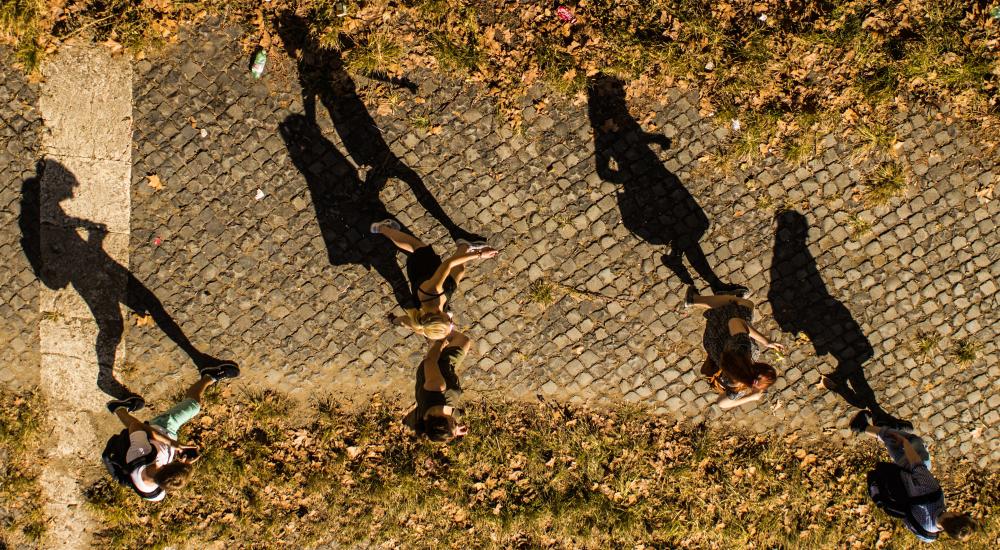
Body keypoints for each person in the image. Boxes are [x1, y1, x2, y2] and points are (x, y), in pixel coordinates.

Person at [105, 363, 239, 500]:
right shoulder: (155, 494)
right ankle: (119, 408)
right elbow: (169, 477)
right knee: (190, 408)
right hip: (163, 439)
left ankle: (209, 375)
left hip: (163, 426)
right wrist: (183, 465)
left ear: (164, 467)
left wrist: (173, 444)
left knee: (193, 406)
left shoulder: (141, 455)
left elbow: (135, 426)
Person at [852, 411, 976, 542]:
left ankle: (862, 426)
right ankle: (888, 428)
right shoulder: (928, 535)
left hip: (905, 475)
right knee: (911, 453)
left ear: (956, 515)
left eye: (961, 513)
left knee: (912, 442)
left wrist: (905, 442)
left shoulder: (934, 494)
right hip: (897, 490)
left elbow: (917, 465)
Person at [371, 220, 496, 340]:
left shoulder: (433, 290)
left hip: (423, 267)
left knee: (415, 245)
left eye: (450, 322)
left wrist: (479, 254)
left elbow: (448, 264)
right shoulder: (424, 324)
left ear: (439, 315)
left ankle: (382, 228)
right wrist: (395, 321)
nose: (452, 322)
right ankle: (464, 245)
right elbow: (405, 323)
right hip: (442, 288)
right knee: (459, 271)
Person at [686, 289, 783, 409]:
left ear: (758, 365)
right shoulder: (738, 387)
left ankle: (694, 299)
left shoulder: (743, 349)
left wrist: (766, 342)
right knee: (741, 312)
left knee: (746, 305)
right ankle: (727, 298)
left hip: (719, 328)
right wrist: (752, 397)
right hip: (711, 343)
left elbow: (735, 322)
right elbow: (722, 403)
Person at [408, 331, 472, 442]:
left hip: (442, 364)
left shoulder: (437, 387)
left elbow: (429, 361)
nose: (456, 423)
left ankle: (436, 329)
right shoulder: (429, 420)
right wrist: (455, 430)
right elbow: (441, 430)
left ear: (442, 420)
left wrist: (440, 341)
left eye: (454, 424)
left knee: (463, 340)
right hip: (447, 377)